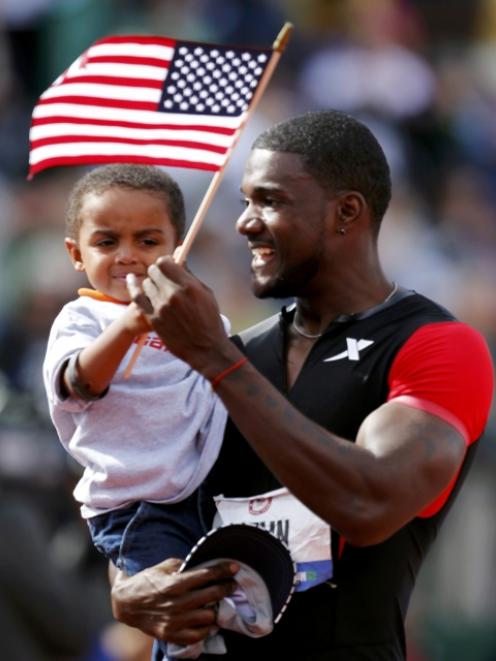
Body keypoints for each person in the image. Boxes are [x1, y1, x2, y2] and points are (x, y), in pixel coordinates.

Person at [111, 111, 494, 661]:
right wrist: (129, 587)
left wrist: (215, 359)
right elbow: (148, 503)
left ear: (346, 213)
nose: (244, 222)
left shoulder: (437, 346)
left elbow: (369, 503)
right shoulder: (239, 353)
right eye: (244, 200)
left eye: (269, 201)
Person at [42, 164, 229, 607]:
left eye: (148, 241)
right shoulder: (81, 319)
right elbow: (77, 383)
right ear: (76, 253)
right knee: (174, 607)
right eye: (107, 242)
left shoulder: (201, 316)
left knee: (218, 606)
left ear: (177, 249)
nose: (127, 255)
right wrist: (129, 326)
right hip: (136, 506)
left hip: (204, 494)